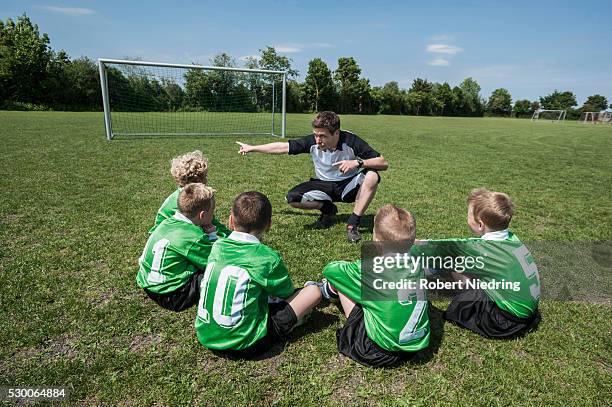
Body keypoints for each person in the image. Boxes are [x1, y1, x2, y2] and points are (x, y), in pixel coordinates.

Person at [195, 191, 322, 358]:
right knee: (313, 291)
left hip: (206, 335)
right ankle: (302, 317)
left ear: (231, 220)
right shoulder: (267, 257)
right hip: (247, 344)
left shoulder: (217, 246)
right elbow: (286, 293)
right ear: (268, 225)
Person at [236, 111, 388, 243]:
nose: (318, 140)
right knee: (293, 198)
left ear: (337, 133)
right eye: (316, 135)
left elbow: (382, 162)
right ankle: (327, 209)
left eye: (322, 136)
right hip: (323, 185)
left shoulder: (351, 141)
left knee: (373, 176)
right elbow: (283, 147)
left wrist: (357, 162)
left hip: (348, 186)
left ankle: (352, 224)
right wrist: (252, 148)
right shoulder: (312, 142)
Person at [313, 204, 430, 368]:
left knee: (344, 280)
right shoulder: (420, 262)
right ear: (412, 242)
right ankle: (330, 291)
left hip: (378, 351)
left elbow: (331, 270)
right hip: (415, 346)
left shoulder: (369, 270)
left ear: (377, 241)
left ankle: (329, 291)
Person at [415, 188, 541, 339]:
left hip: (504, 321)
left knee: (454, 260)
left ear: (480, 225)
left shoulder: (481, 250)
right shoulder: (512, 238)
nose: (466, 217)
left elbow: (435, 248)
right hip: (529, 315)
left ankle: (422, 276)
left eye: (468, 215)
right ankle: (429, 274)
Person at [136, 184, 218, 312]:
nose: (213, 215)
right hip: (172, 295)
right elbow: (215, 260)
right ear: (202, 215)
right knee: (218, 272)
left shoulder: (166, 223)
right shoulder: (193, 237)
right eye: (213, 212)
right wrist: (213, 236)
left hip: (147, 284)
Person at [149, 150, 230, 240]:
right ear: (200, 180)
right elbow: (208, 225)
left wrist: (230, 234)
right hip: (165, 238)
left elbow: (211, 221)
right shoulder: (189, 201)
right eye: (205, 176)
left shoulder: (183, 195)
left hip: (163, 234)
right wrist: (230, 238)